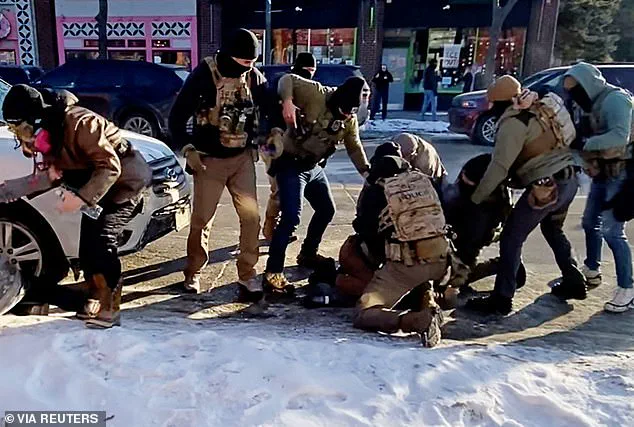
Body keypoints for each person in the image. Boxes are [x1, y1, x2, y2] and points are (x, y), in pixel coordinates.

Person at [2, 85, 152, 328]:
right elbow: (51, 175)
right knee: (87, 248)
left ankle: (110, 303)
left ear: (38, 119)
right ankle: (95, 292)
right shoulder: (51, 133)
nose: (20, 135)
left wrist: (81, 198)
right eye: (13, 129)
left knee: (102, 241)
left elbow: (110, 167)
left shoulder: (81, 123)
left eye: (21, 127)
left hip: (124, 183)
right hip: (95, 186)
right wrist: (8, 190)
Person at [465, 75, 587, 315]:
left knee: (511, 236)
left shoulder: (513, 123)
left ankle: (502, 298)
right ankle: (574, 280)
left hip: (546, 187)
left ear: (498, 103)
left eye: (491, 103)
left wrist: (476, 199)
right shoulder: (538, 109)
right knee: (553, 229)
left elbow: (499, 167)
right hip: (569, 179)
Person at [169, 28, 272, 300]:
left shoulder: (253, 76)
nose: (249, 67)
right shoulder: (204, 74)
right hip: (208, 160)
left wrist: (273, 131)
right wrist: (188, 148)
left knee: (251, 218)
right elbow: (176, 117)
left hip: (241, 159)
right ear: (231, 55)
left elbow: (270, 106)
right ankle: (193, 272)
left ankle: (248, 274)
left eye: (253, 62)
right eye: (245, 61)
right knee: (202, 220)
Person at [264, 74, 371, 295]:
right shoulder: (316, 93)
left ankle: (308, 253)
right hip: (290, 163)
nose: (346, 115)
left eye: (351, 112)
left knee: (326, 209)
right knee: (291, 217)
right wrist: (287, 101)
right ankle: (272, 272)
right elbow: (286, 79)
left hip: (312, 167)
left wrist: (367, 172)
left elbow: (354, 146)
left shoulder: (349, 119)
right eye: (343, 110)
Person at [352, 155, 449, 348]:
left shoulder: (379, 191)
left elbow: (367, 232)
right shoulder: (427, 182)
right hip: (442, 260)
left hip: (407, 265)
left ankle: (415, 321)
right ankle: (430, 303)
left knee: (364, 312)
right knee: (421, 279)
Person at [563, 62, 634, 313]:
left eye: (576, 89)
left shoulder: (615, 101)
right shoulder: (590, 104)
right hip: (604, 171)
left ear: (588, 85)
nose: (574, 95)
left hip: (623, 172)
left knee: (613, 231)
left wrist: (586, 143)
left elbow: (619, 136)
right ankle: (592, 269)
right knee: (589, 222)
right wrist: (585, 158)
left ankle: (628, 288)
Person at [262, 52, 317, 242]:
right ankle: (270, 229)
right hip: (271, 143)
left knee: (283, 189)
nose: (310, 74)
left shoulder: (303, 88)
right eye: (307, 70)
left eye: (312, 71)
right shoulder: (281, 85)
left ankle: (276, 228)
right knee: (279, 188)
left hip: (286, 144)